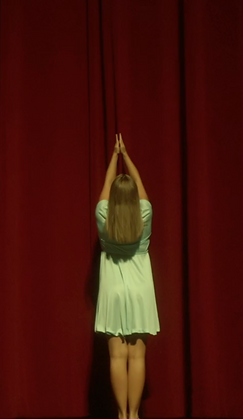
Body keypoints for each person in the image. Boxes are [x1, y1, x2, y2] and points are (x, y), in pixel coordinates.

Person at [95, 133, 160, 419]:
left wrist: (114, 157)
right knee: (137, 356)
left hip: (113, 291)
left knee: (117, 356)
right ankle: (134, 415)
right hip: (140, 289)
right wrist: (127, 157)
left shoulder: (103, 216)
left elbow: (105, 190)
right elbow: (141, 188)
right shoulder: (145, 214)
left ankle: (121, 415)